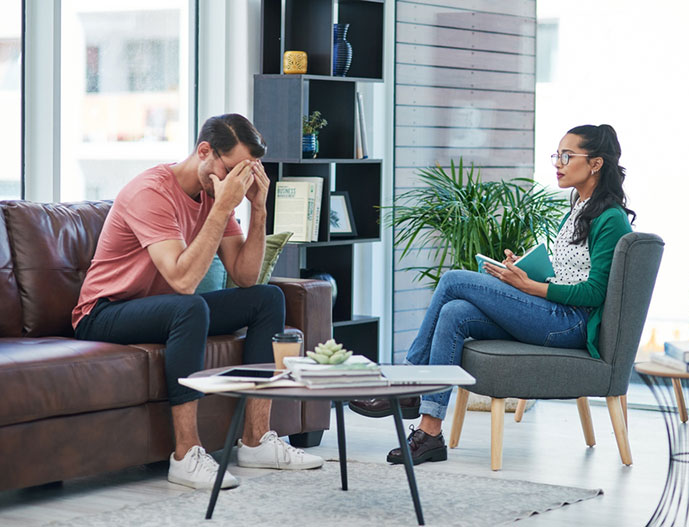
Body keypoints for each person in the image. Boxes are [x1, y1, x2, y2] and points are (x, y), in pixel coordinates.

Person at [350, 124, 636, 465]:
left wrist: (526, 286)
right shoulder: (579, 209)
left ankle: (409, 383)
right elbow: (568, 275)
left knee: (454, 280)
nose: (557, 163)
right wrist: (525, 271)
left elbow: (594, 292)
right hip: (553, 312)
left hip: (571, 324)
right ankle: (429, 433)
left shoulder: (611, 218)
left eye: (566, 155)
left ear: (595, 164)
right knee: (455, 312)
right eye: (556, 155)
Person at [72, 114, 323, 489]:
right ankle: (186, 455)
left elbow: (246, 276)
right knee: (191, 306)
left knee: (267, 298)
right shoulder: (152, 192)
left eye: (248, 173)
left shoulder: (216, 193)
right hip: (104, 312)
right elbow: (183, 280)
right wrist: (223, 208)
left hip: (164, 309)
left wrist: (258, 208)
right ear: (204, 151)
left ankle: (256, 440)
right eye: (233, 170)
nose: (239, 182)